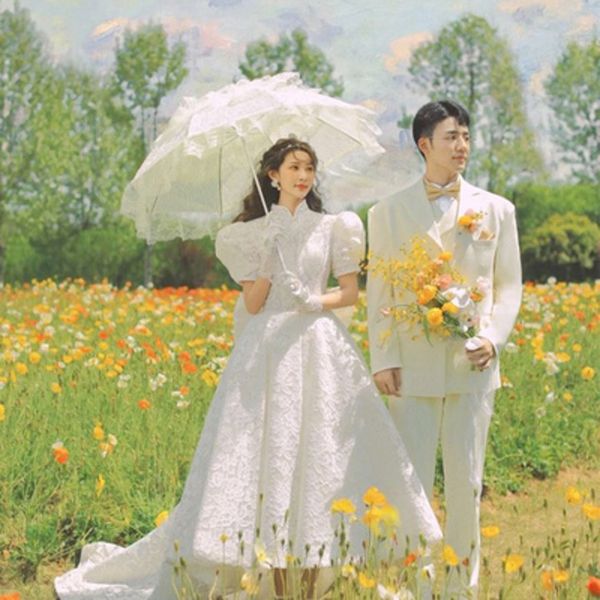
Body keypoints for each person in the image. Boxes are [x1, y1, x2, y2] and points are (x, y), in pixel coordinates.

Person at [55, 138, 441, 600]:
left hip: (319, 343)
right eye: (294, 167)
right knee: (265, 448)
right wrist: (267, 261)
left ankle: (317, 567)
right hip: (267, 351)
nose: (304, 175)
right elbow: (254, 305)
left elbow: (349, 294)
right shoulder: (247, 234)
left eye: (310, 168)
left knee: (322, 449)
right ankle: (267, 570)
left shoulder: (335, 226)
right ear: (273, 175)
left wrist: (313, 300)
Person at [367, 101, 523, 597]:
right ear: (424, 145)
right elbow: (381, 294)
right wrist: (384, 358)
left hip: (471, 368)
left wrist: (493, 339)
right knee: (411, 489)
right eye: (451, 136)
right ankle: (414, 584)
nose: (462, 146)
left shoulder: (497, 209)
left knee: (467, 486)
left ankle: (460, 587)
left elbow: (509, 287)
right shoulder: (386, 212)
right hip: (410, 370)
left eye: (466, 136)